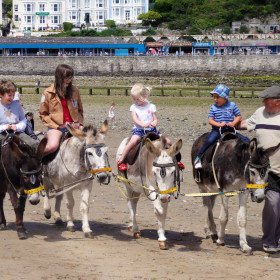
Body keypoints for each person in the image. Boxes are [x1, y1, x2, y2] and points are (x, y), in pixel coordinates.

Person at [237, 85, 280, 253]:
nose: (263, 102)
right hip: (267, 171)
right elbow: (244, 124)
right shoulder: (260, 112)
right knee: (273, 203)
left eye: (267, 99)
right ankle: (269, 241)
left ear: (277, 102)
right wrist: (229, 123)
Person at [117, 83, 184, 171]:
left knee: (168, 141)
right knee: (132, 142)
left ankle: (177, 160)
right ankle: (122, 160)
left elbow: (155, 119)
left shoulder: (152, 106)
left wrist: (154, 123)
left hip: (152, 130)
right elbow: (135, 119)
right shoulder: (134, 107)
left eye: (137, 99)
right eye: (134, 99)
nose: (135, 101)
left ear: (144, 96)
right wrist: (142, 124)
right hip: (139, 130)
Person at [194, 84, 249, 169]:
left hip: (230, 129)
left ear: (225, 97)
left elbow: (238, 115)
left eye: (218, 97)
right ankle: (198, 158)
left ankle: (249, 159)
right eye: (214, 97)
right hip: (217, 130)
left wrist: (234, 123)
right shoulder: (213, 107)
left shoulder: (232, 105)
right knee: (209, 141)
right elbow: (210, 120)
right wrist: (219, 124)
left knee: (246, 140)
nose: (215, 99)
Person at [39, 64, 84, 156]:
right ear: (59, 77)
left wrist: (79, 123)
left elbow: (80, 110)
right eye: (67, 78)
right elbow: (43, 114)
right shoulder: (47, 93)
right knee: (52, 146)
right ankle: (36, 161)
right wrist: (58, 126)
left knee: (92, 144)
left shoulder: (75, 90)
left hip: (75, 126)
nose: (69, 81)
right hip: (57, 127)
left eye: (71, 78)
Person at [0, 80, 38, 149]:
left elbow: (23, 120)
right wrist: (4, 127)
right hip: (2, 134)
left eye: (13, 95)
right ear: (1, 94)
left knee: (34, 145)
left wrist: (17, 127)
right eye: (9, 95)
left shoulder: (17, 105)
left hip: (17, 133)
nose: (12, 97)